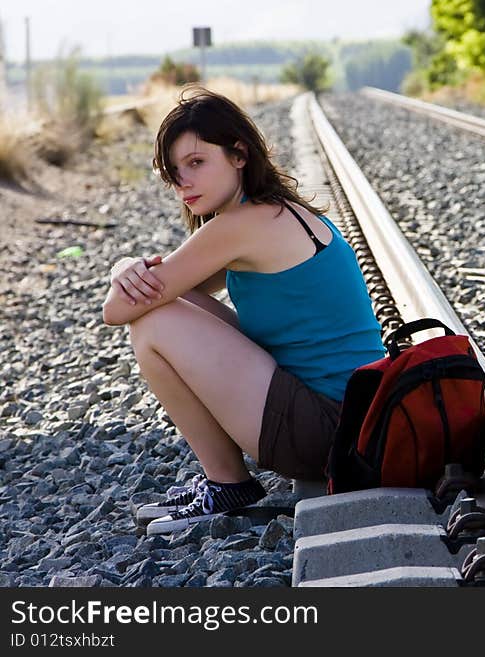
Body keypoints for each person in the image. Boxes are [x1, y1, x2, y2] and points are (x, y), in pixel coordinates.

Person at [101, 87, 386, 535]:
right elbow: (178, 289)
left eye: (196, 163)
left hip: (326, 433)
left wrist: (122, 267)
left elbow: (117, 310)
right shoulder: (280, 212)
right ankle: (224, 482)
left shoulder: (238, 227)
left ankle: (227, 483)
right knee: (168, 303)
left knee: (152, 322)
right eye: (173, 172)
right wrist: (136, 273)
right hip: (355, 423)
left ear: (238, 154)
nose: (183, 183)